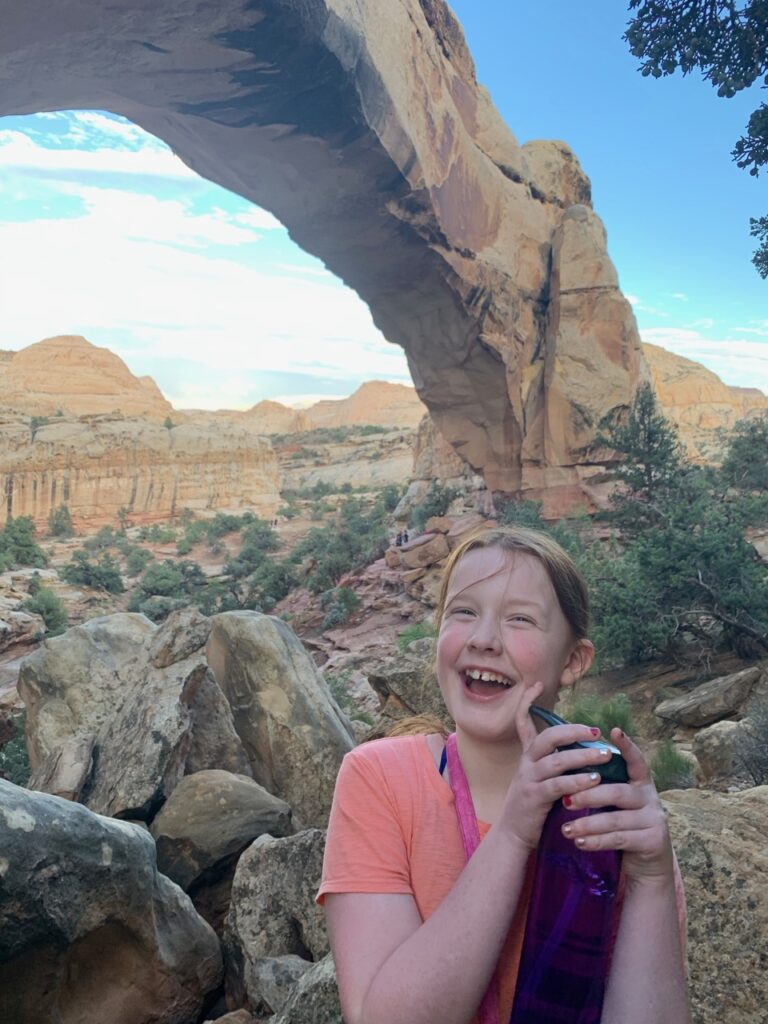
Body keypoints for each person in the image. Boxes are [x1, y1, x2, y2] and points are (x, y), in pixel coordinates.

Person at [318, 526, 690, 1024]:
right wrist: (514, 833)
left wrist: (651, 879)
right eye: (464, 612)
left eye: (520, 619)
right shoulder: (380, 778)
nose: (484, 639)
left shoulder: (608, 809)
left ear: (573, 661)